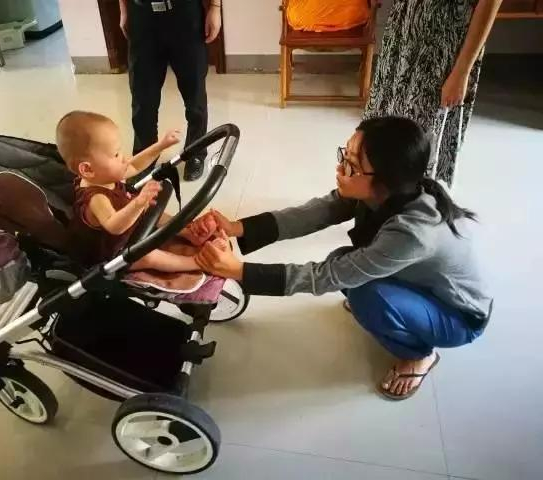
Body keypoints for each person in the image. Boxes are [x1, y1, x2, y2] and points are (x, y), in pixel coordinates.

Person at [193, 116, 492, 401]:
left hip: (459, 317)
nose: (340, 168)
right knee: (343, 259)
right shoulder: (390, 190)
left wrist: (239, 271)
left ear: (386, 179)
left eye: (351, 165)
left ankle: (419, 355)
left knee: (364, 293)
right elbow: (314, 213)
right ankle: (396, 308)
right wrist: (237, 227)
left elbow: (328, 276)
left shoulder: (413, 233)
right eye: (344, 156)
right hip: (422, 283)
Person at [364, 0, 503, 186]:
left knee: (418, 143)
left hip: (442, 49)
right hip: (402, 35)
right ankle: (381, 196)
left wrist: (461, 73)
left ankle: (416, 199)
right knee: (380, 134)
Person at [56, 111, 216, 270]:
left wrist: (160, 145)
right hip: (110, 255)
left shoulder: (103, 176)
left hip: (128, 228)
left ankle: (188, 232)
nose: (123, 158)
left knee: (153, 209)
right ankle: (198, 262)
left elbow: (134, 165)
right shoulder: (95, 198)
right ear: (87, 169)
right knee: (148, 257)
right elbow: (114, 225)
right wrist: (138, 203)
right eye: (116, 154)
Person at [119, 0, 222, 182]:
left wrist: (215, 7)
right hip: (142, 15)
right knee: (142, 97)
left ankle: (196, 151)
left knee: (194, 94)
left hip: (185, 14)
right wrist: (124, 9)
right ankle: (144, 155)